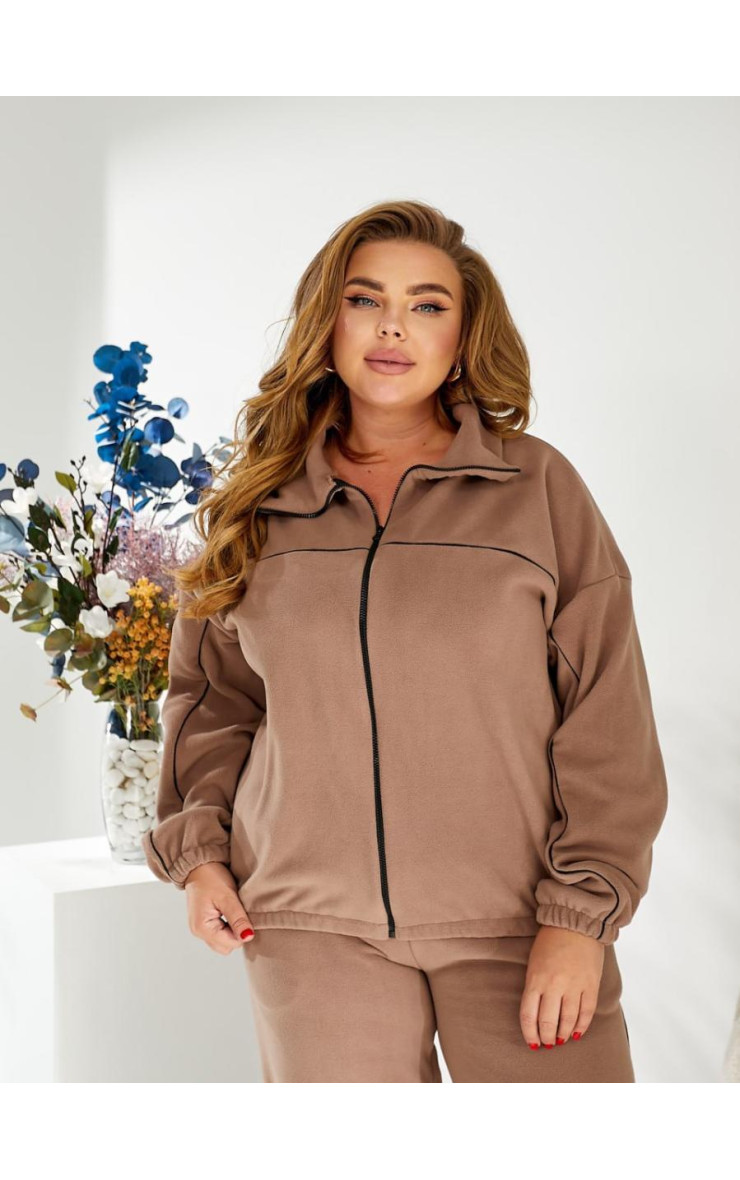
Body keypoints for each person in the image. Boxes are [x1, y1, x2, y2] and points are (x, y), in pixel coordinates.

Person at [141, 199, 669, 1082]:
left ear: (462, 338)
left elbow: (607, 712)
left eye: (427, 305)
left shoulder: (536, 488)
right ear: (328, 323)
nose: (393, 327)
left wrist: (581, 918)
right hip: (308, 926)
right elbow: (213, 702)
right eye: (365, 300)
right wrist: (200, 861)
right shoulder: (256, 506)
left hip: (519, 923)